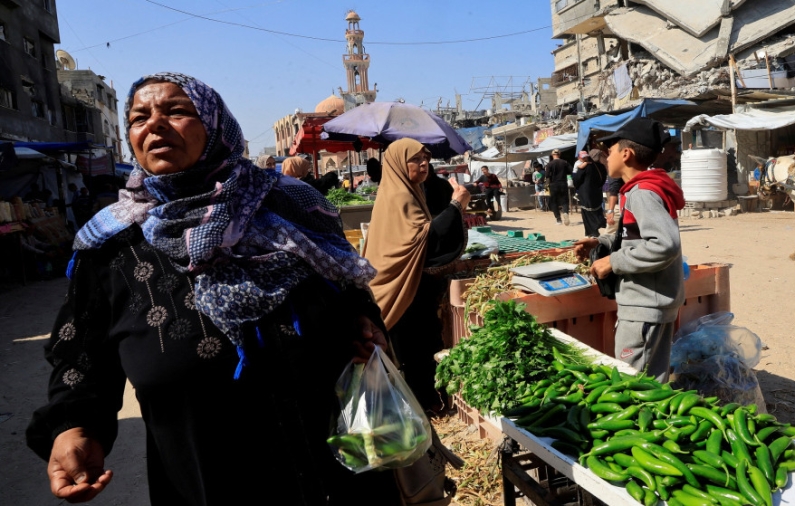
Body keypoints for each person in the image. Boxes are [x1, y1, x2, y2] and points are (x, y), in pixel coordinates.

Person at [26, 72, 399, 506]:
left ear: (217, 125)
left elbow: (349, 286)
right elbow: (80, 358)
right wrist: (74, 425)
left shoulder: (291, 207)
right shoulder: (112, 247)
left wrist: (365, 323)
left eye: (177, 111)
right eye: (139, 117)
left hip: (341, 471)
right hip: (204, 479)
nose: (155, 125)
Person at [573, 118, 686, 382]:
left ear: (626, 154)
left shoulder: (642, 193)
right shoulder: (638, 190)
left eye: (609, 151)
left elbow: (664, 244)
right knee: (651, 382)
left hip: (644, 304)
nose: (605, 157)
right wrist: (601, 244)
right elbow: (635, 238)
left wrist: (613, 261)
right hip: (648, 302)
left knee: (633, 383)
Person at [363, 138, 470, 410]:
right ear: (399, 163)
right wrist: (456, 206)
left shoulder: (410, 191)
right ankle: (421, 404)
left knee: (421, 345)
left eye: (426, 159)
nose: (424, 164)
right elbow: (425, 241)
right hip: (399, 288)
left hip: (409, 285)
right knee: (414, 348)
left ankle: (426, 402)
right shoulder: (400, 195)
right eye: (416, 159)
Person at [572, 149, 608, 237]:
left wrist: (578, 188)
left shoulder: (584, 167)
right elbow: (603, 179)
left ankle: (592, 232)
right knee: (597, 209)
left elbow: (576, 180)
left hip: (586, 193)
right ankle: (596, 227)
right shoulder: (601, 166)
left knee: (587, 213)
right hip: (597, 192)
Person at [545, 148, 572, 225]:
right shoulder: (565, 162)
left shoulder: (550, 164)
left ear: (552, 155)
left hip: (553, 184)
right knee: (564, 201)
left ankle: (558, 219)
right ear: (560, 154)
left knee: (554, 202)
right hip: (563, 183)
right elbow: (571, 171)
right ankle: (565, 212)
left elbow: (547, 175)